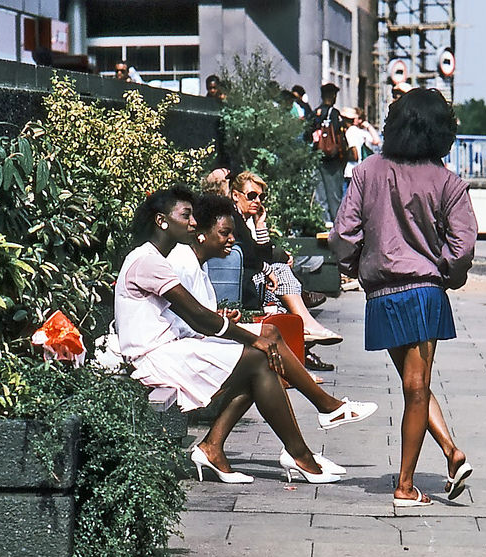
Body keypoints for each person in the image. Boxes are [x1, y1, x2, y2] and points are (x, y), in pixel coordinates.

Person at [115, 186, 340, 484]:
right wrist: (249, 337)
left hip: (168, 351)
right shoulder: (149, 261)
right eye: (186, 216)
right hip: (153, 359)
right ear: (161, 221)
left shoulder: (154, 258)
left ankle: (218, 448)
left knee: (258, 366)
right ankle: (301, 450)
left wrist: (228, 326)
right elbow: (196, 315)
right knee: (259, 357)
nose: (193, 223)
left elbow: (193, 316)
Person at [331, 88, 477, 508]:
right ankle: (406, 486)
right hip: (422, 291)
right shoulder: (447, 181)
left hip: (380, 294)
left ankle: (451, 452)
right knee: (417, 387)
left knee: (413, 384)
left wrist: (353, 265)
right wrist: (446, 275)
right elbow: (462, 245)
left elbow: (344, 233)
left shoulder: (366, 171)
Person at [165, 193, 377, 463]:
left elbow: (194, 315)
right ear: (202, 235)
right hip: (180, 350)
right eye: (225, 233)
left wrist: (221, 316)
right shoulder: (182, 262)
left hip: (194, 341)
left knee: (268, 346)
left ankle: (219, 446)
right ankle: (316, 424)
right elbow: (188, 320)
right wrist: (226, 324)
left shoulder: (195, 262)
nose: (232, 240)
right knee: (265, 350)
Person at [229, 171, 342, 346]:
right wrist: (268, 269)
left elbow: (261, 255)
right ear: (236, 195)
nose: (257, 201)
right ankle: (308, 324)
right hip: (239, 283)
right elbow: (250, 255)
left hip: (247, 279)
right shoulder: (233, 218)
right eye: (251, 196)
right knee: (280, 270)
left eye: (261, 197)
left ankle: (304, 334)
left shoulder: (246, 220)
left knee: (282, 308)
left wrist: (260, 224)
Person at [311, 83, 351, 224]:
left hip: (317, 158)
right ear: (333, 96)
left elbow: (307, 135)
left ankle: (323, 224)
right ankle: (337, 226)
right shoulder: (334, 114)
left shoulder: (315, 113)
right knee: (335, 195)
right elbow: (339, 138)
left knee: (320, 196)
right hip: (332, 161)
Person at [341, 106, 381, 191]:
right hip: (360, 171)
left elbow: (354, 152)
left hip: (350, 171)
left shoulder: (350, 132)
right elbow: (377, 141)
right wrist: (369, 127)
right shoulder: (360, 132)